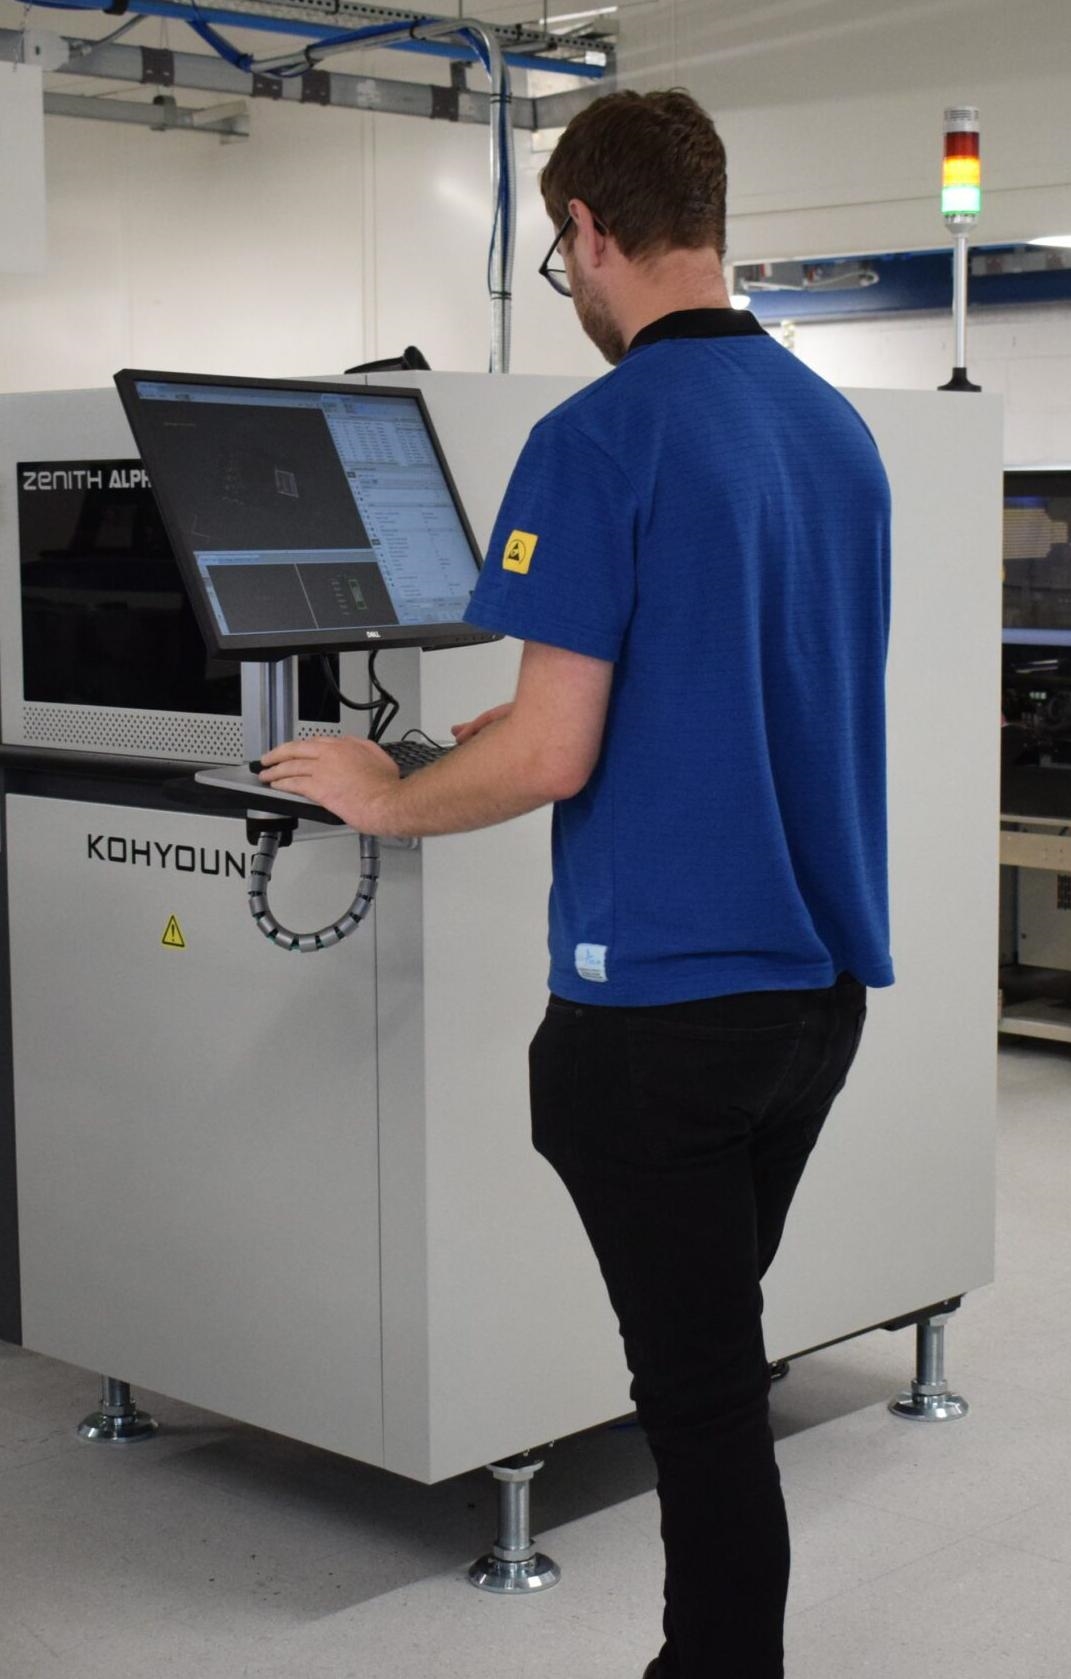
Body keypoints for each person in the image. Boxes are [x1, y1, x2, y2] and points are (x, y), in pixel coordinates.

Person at [258, 87, 894, 1679]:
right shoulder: (832, 427)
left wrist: (387, 793)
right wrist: (548, 720)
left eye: (566, 261)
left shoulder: (594, 434)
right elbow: (743, 677)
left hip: (662, 1013)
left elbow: (548, 757)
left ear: (588, 234)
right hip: (811, 997)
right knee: (712, 1362)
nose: (576, 289)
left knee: (699, 1402)